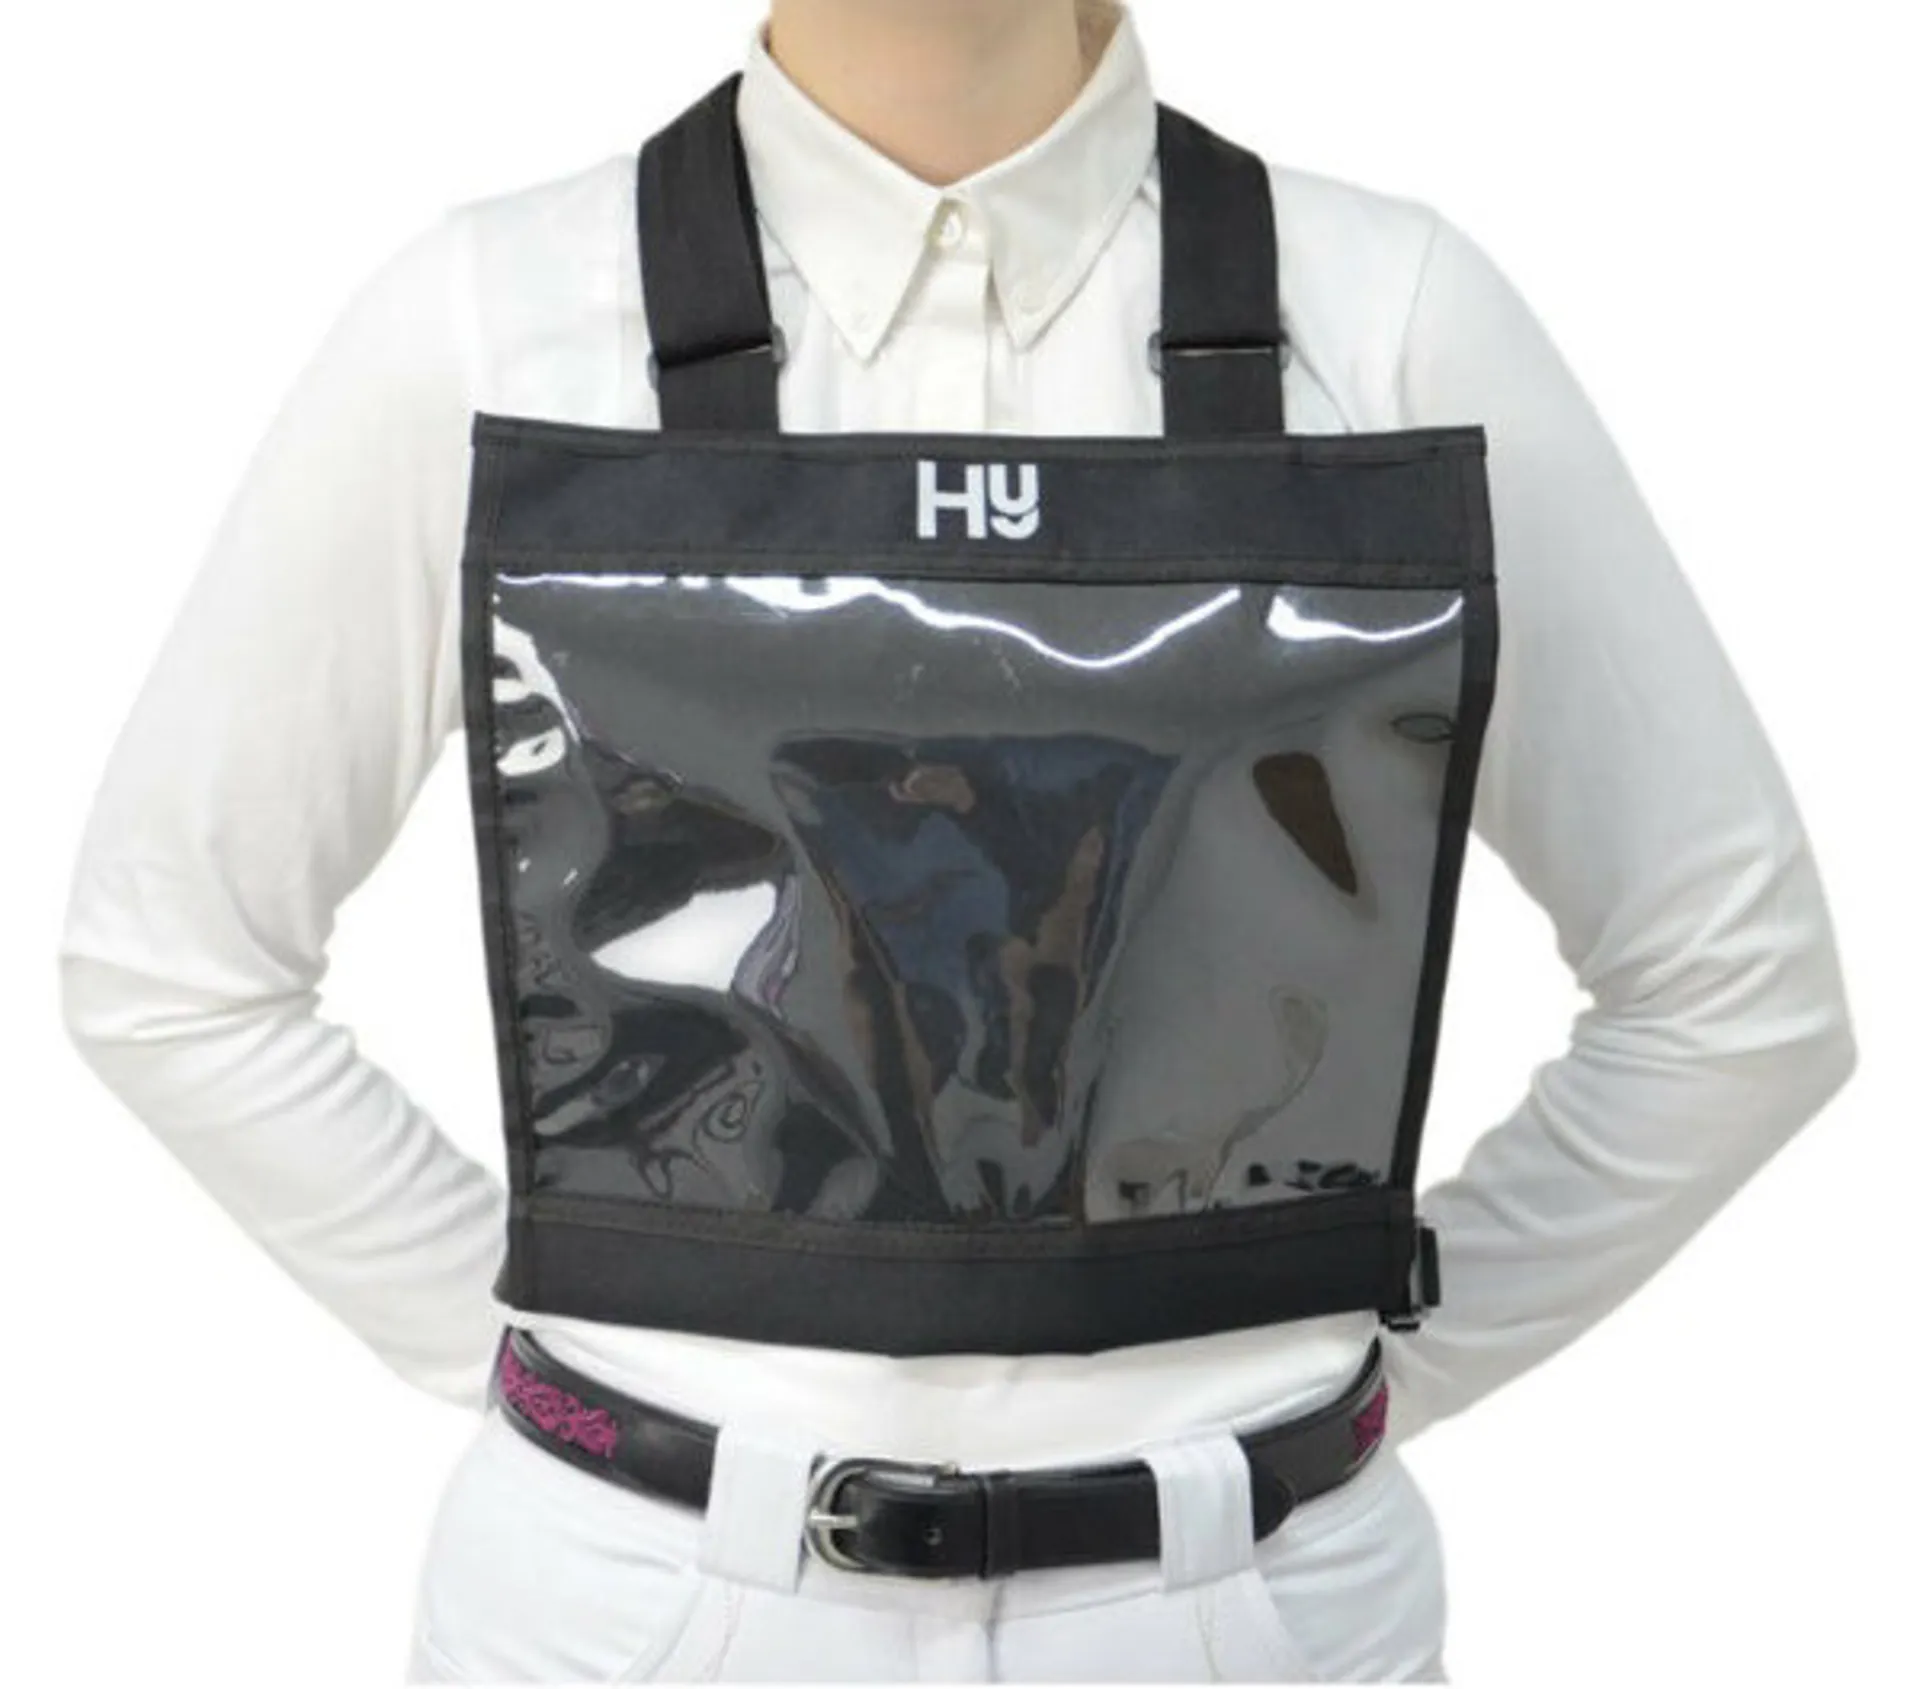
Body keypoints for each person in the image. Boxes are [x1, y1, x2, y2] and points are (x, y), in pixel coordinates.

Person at [55, 0, 1857, 1681]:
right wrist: (565, 1377)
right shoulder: (486, 318)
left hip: (1247, 1612)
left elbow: (1738, 997)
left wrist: (1350, 1373)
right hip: (639, 1617)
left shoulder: (1389, 315)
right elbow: (169, 963)